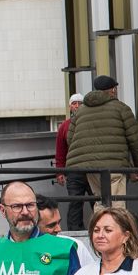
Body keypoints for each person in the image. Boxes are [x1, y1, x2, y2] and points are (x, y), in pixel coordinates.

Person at [64, 76, 138, 208]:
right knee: (117, 203)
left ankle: (100, 227)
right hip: (115, 165)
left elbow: (70, 138)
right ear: (112, 90)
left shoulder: (80, 112)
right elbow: (135, 139)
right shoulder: (121, 108)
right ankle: (114, 227)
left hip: (89, 166)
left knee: (100, 201)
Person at [53, 93, 87, 229]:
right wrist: (60, 172)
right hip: (73, 170)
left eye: (80, 103)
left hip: (90, 169)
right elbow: (60, 151)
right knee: (75, 202)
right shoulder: (64, 126)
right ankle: (74, 231)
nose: (77, 106)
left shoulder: (86, 123)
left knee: (96, 201)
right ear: (70, 106)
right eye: (74, 103)